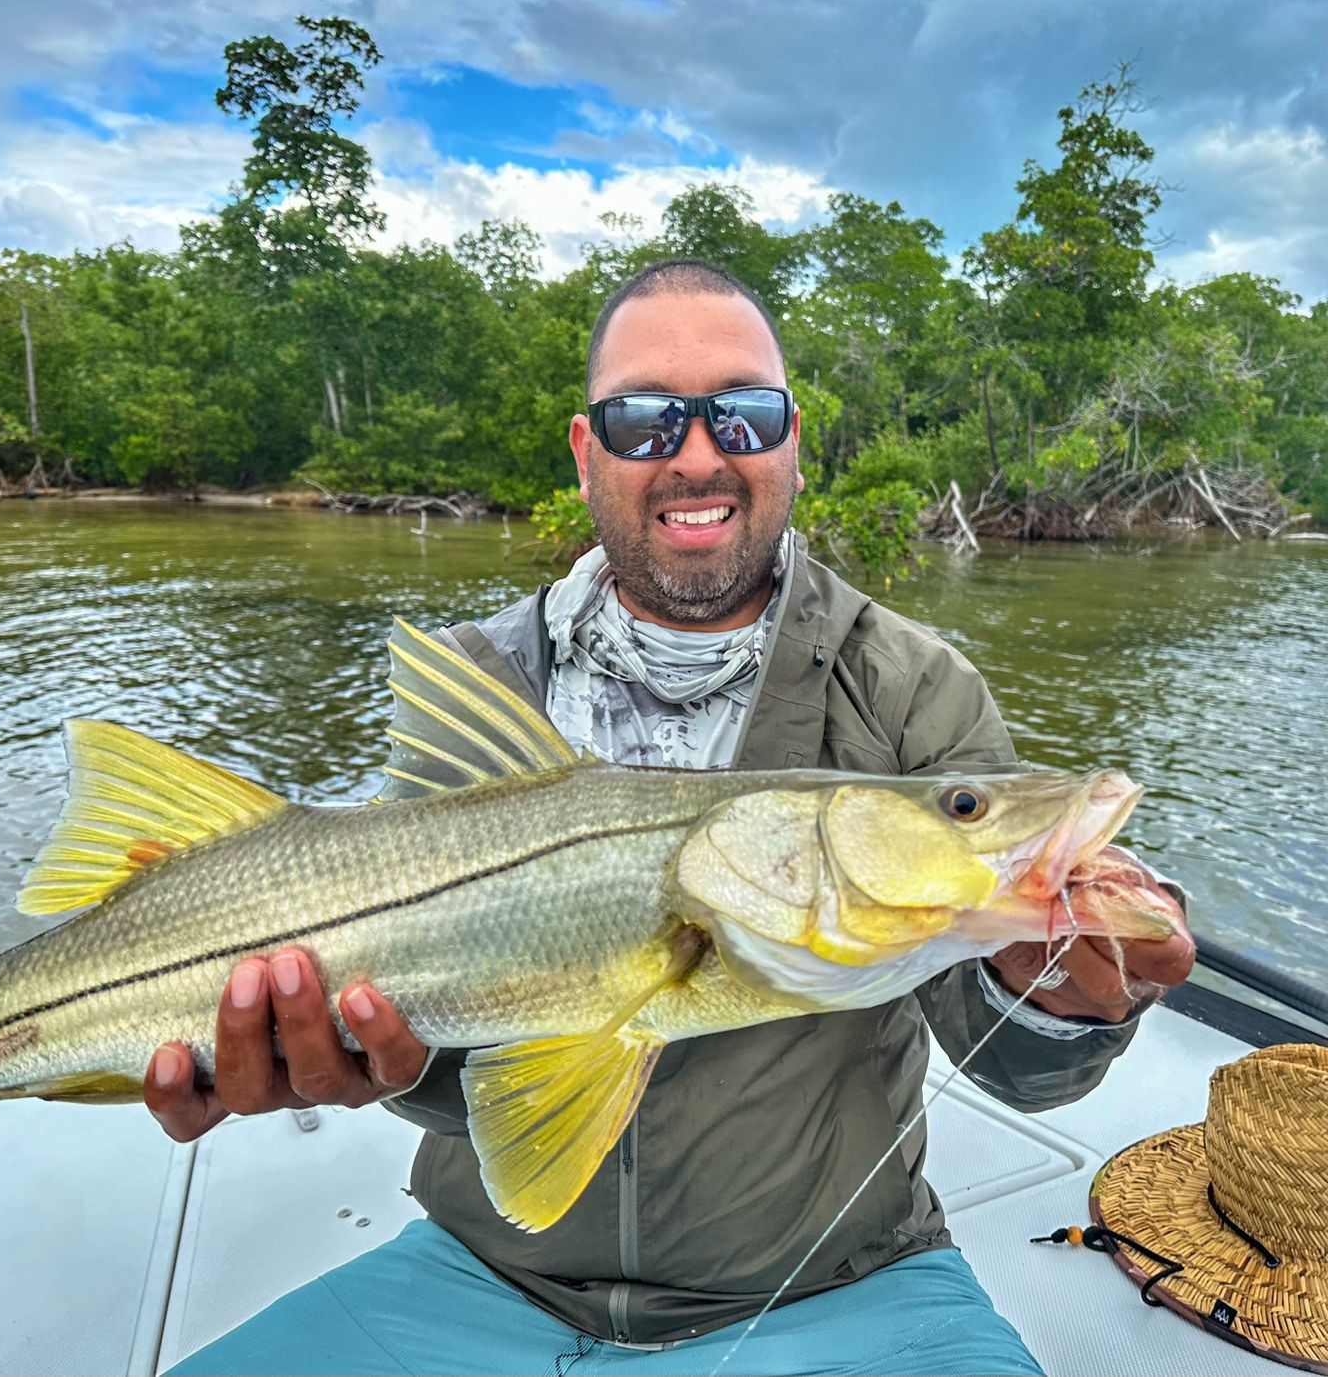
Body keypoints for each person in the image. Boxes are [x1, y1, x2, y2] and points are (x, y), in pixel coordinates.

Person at [149, 258, 1196, 1376]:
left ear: (791, 437)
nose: (697, 454)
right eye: (644, 418)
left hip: (845, 1286)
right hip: (481, 1270)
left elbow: (1015, 1070)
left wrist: (1066, 1005)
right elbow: (468, 1054)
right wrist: (368, 1062)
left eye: (741, 413)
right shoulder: (478, 680)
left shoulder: (909, 686)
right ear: (585, 448)